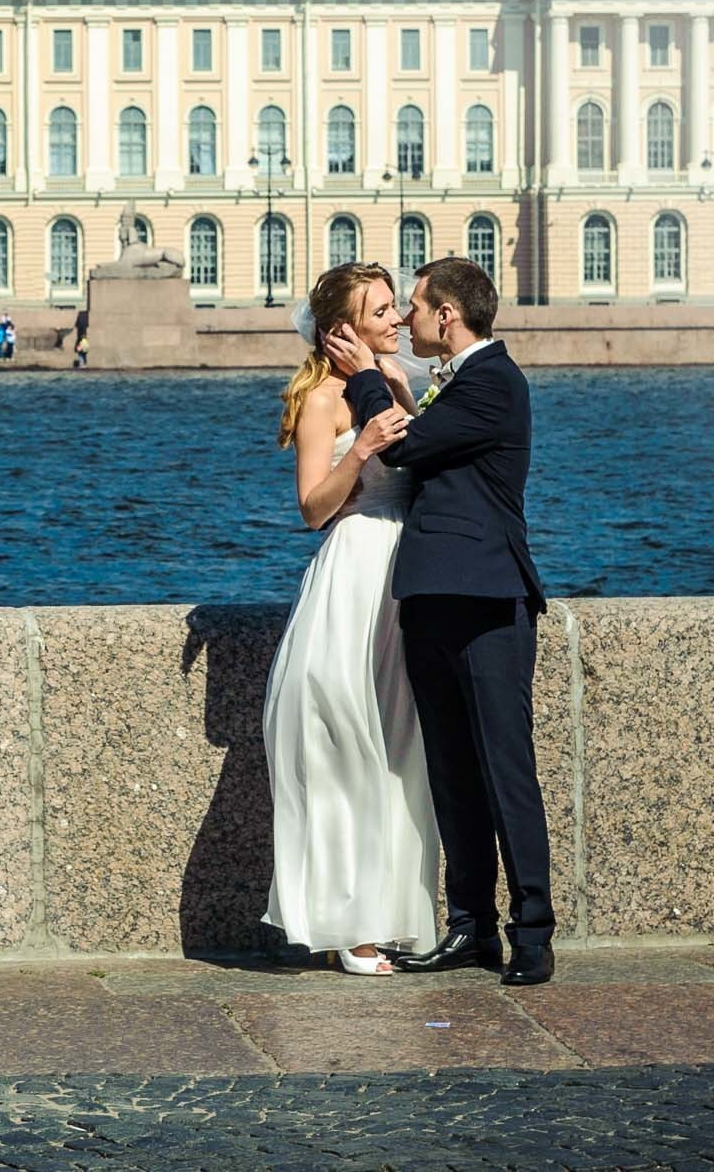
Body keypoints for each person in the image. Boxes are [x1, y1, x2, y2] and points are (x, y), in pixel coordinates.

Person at [324, 256, 556, 986]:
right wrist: (389, 383)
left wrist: (366, 374)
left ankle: (533, 933)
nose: (407, 320)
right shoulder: (451, 382)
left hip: (489, 603)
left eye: (416, 307)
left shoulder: (494, 380)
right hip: (430, 596)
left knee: (505, 768)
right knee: (454, 774)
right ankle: (470, 926)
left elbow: (412, 446)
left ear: (447, 316)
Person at [265, 261, 441, 976]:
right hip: (354, 567)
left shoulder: (406, 380)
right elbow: (311, 508)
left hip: (409, 571)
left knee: (403, 750)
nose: (397, 317)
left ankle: (398, 914)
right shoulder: (324, 401)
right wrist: (362, 448)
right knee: (347, 745)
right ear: (343, 329)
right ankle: (348, 923)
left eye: (397, 305)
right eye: (380, 309)